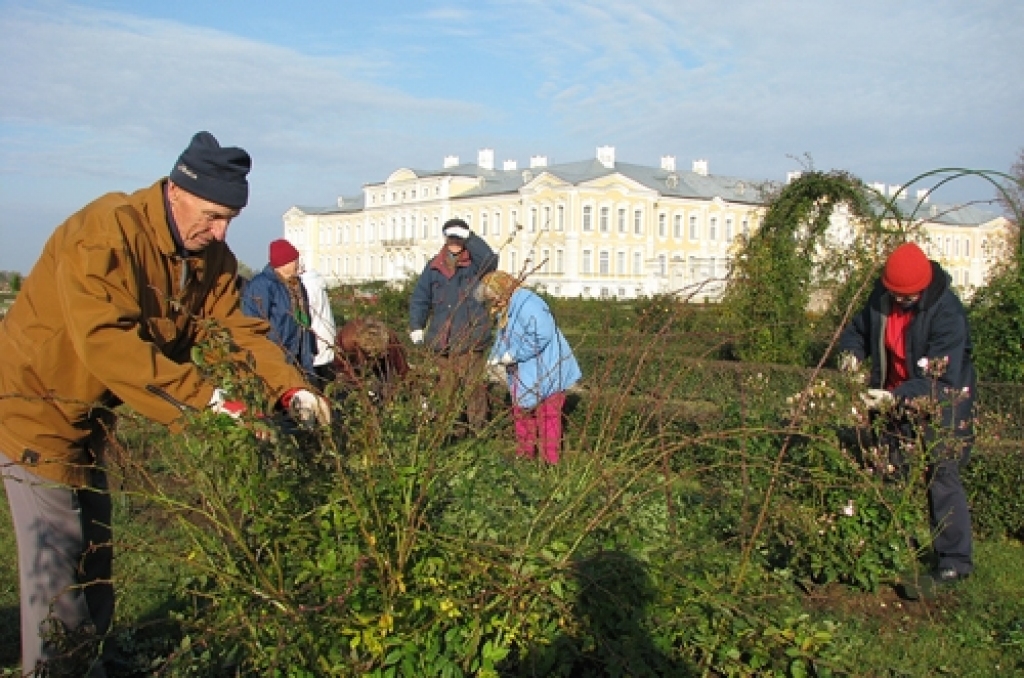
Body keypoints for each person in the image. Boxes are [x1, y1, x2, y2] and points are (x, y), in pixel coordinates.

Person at [0, 131, 331, 676]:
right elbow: (107, 343)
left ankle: (90, 664)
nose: (220, 231)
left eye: (230, 219)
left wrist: (291, 387)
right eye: (211, 215)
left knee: (96, 557)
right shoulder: (105, 232)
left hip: (89, 417)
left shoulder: (209, 256)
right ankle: (55, 668)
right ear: (175, 190)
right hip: (32, 407)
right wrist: (211, 403)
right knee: (58, 562)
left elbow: (241, 332)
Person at [838, 241, 975, 587]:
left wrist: (894, 397)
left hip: (939, 400)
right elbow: (857, 331)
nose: (900, 302)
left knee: (941, 473)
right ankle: (888, 544)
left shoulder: (948, 314)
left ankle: (954, 560)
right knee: (887, 467)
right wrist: (851, 355)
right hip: (889, 396)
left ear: (922, 289)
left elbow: (940, 377)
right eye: (896, 295)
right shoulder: (881, 299)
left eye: (908, 298)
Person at [475, 271, 581, 464]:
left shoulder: (528, 303)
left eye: (494, 296)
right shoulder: (507, 307)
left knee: (548, 416)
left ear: (502, 288)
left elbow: (542, 334)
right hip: (526, 371)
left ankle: (550, 461)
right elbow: (503, 337)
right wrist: (494, 356)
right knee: (523, 412)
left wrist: (515, 354)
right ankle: (525, 456)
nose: (494, 301)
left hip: (547, 368)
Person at [409, 218, 497, 435]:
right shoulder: (433, 266)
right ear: (445, 239)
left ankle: (477, 431)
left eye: (459, 238)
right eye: (451, 238)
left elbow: (491, 260)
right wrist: (416, 326)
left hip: (470, 337)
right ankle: (453, 430)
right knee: (446, 388)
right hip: (441, 340)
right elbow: (420, 298)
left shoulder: (475, 264)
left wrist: (471, 237)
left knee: (472, 387)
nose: (455, 242)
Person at [241, 239, 318, 379]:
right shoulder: (262, 285)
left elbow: (306, 321)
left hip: (300, 360)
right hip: (275, 359)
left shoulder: (297, 285)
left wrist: (310, 352)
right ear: (284, 263)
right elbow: (253, 323)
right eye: (294, 260)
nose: (297, 264)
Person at [335, 317, 410, 402]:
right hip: (354, 363)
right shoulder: (347, 341)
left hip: (383, 362)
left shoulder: (391, 340)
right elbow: (342, 367)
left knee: (387, 388)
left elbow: (402, 368)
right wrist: (360, 386)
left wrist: (410, 388)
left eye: (380, 354)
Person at [300, 266, 339, 389]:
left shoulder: (305, 287)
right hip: (327, 338)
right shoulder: (317, 283)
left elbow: (306, 316)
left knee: (317, 386)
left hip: (315, 341)